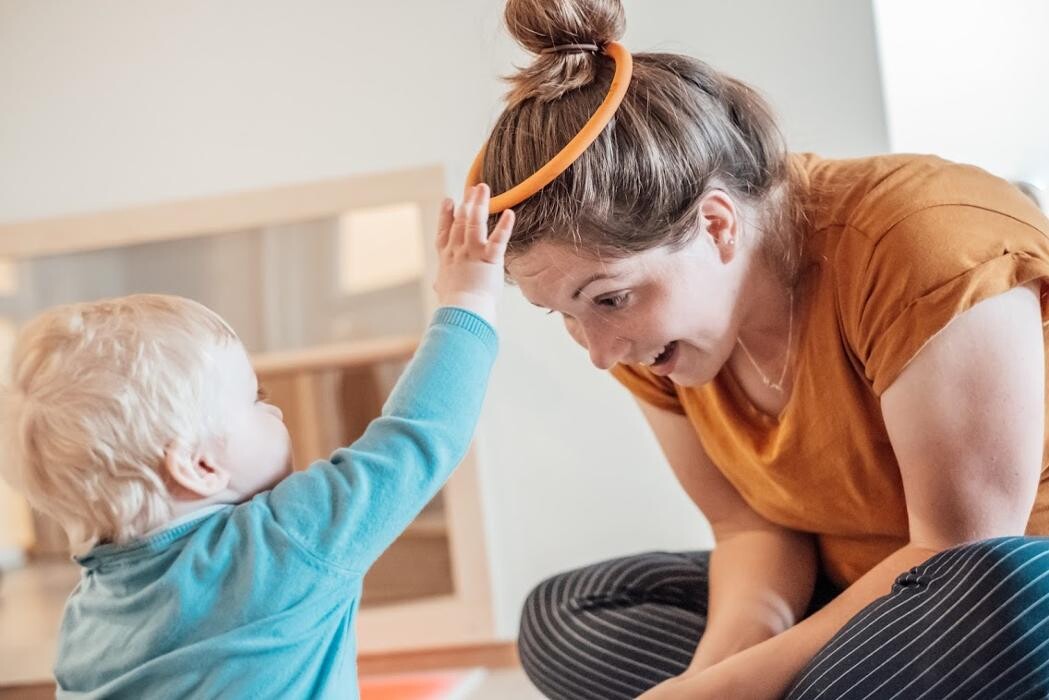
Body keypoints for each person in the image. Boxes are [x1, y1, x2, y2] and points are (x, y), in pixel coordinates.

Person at [472, 0, 1049, 697]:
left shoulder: (921, 242)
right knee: (563, 618)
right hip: (855, 600)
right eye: (561, 314)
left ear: (715, 224)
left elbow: (959, 547)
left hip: (985, 588)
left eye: (608, 298)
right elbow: (748, 527)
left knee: (1002, 594)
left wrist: (731, 690)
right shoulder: (659, 343)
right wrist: (713, 671)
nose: (598, 351)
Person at [0, 184, 514, 699]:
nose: (276, 409)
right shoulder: (282, 542)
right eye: (255, 397)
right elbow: (419, 437)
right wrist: (467, 297)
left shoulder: (87, 620)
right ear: (199, 466)